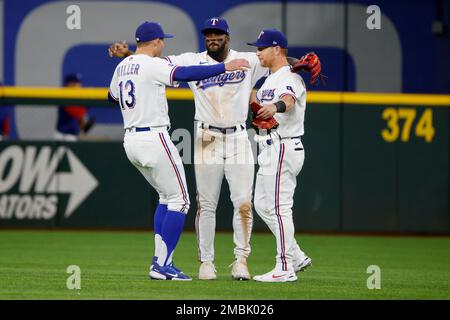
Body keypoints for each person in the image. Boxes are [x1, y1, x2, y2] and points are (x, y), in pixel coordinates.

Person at [109, 17, 320, 281]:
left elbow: (275, 60)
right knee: (205, 204)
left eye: (218, 33)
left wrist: (298, 62)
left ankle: (241, 259)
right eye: (208, 34)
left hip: (239, 134)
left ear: (227, 37)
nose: (213, 38)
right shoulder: (192, 60)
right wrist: (129, 53)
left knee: (243, 203)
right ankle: (206, 262)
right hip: (206, 134)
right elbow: (153, 64)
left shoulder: (248, 59)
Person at [108, 21, 250, 281]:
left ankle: (161, 261)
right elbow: (184, 74)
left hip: (130, 140)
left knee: (166, 197)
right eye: (162, 40)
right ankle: (161, 265)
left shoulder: (122, 66)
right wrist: (224, 67)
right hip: (153, 135)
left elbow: (112, 98)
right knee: (181, 200)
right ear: (155, 41)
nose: (164, 44)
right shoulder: (154, 64)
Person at [247, 29, 312, 282]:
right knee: (262, 205)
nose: (257, 52)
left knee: (280, 207)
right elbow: (253, 95)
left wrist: (275, 106)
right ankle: (295, 254)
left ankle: (284, 267)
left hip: (283, 146)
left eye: (261, 48)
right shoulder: (269, 78)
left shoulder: (290, 77)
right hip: (270, 147)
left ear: (276, 49)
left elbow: (288, 99)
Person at [55, 73, 96, 141]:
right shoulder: (64, 95)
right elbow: (77, 112)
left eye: (78, 83)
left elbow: (81, 119)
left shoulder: (78, 97)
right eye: (74, 83)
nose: (77, 86)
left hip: (72, 134)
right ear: (68, 83)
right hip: (62, 135)